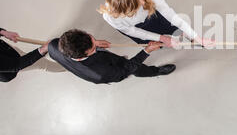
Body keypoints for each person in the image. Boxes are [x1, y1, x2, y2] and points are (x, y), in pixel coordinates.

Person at [99, 0, 214, 48]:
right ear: (125, 9)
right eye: (138, 4)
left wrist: (196, 37)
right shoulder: (110, 16)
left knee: (170, 26)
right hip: (137, 27)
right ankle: (164, 40)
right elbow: (133, 31)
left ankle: (185, 35)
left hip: (153, 16)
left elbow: (169, 13)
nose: (144, 3)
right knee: (153, 41)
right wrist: (162, 38)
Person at [48, 29, 176, 84]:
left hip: (94, 59)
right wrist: (147, 51)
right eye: (93, 48)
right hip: (108, 67)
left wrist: (95, 44)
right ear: (82, 56)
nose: (96, 45)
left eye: (91, 38)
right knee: (133, 68)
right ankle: (154, 71)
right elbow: (125, 70)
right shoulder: (100, 73)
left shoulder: (54, 45)